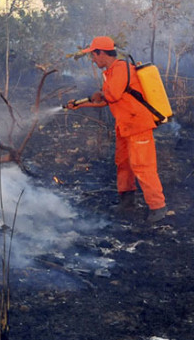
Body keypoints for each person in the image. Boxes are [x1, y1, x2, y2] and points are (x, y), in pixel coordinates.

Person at [65, 36, 168, 223]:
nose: (93, 60)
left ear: (102, 53)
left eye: (93, 56)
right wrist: (80, 104)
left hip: (138, 125)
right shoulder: (111, 72)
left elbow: (111, 95)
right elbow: (106, 100)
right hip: (125, 125)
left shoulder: (120, 68)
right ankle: (127, 202)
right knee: (123, 163)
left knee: (143, 167)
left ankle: (158, 207)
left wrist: (99, 94)